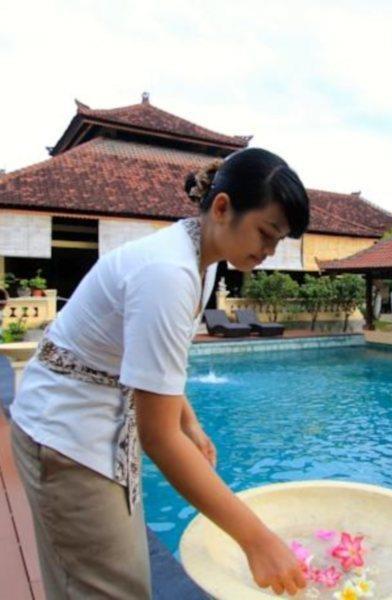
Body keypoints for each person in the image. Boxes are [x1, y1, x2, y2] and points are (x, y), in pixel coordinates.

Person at [10, 147, 310, 599]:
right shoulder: (168, 273)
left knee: (121, 580)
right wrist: (257, 540)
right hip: (64, 434)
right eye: (266, 233)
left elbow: (150, 362)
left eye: (278, 241)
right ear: (223, 207)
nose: (268, 251)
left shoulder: (199, 260)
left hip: (93, 425)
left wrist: (188, 421)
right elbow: (158, 438)